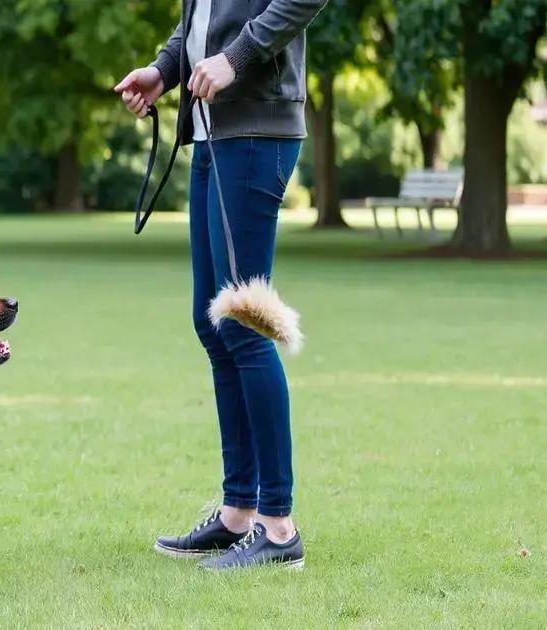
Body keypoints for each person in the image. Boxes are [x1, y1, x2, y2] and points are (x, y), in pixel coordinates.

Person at [114, 0, 327, 570]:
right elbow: (199, 18)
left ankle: (278, 528)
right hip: (213, 133)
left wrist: (235, 58)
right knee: (213, 322)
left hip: (256, 130)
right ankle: (239, 512)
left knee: (244, 321)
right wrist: (164, 70)